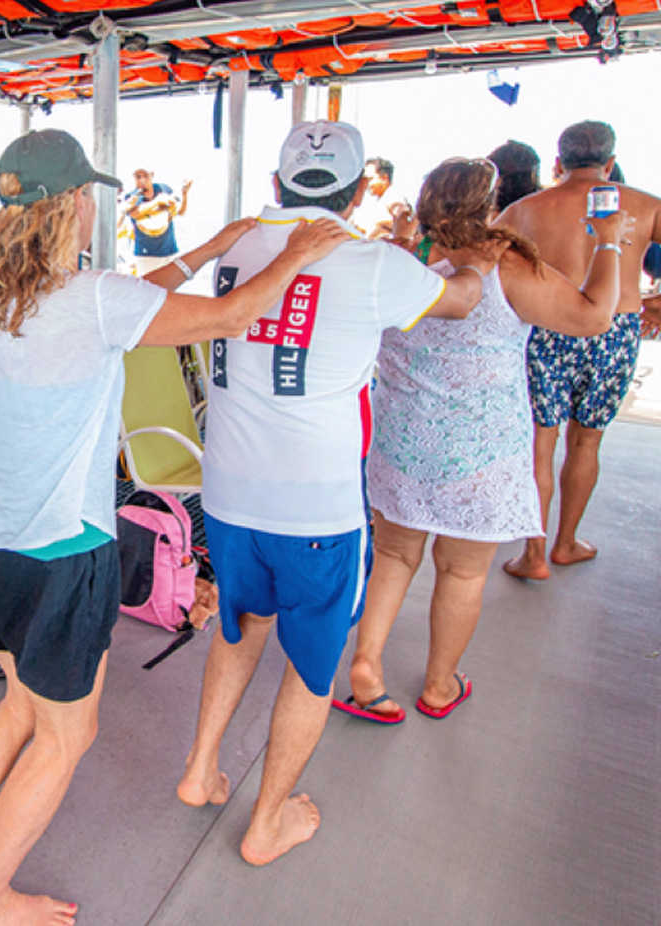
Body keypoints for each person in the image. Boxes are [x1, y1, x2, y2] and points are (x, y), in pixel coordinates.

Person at [0, 128, 348, 926]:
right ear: (73, 202)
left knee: (16, 711)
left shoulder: (0, 287)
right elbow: (231, 313)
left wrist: (211, 245)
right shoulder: (95, 299)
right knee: (64, 738)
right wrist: (298, 252)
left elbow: (135, 293)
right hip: (58, 554)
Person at [174, 121, 499, 867]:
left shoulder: (238, 245)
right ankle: (266, 826)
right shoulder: (374, 261)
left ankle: (200, 771)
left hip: (226, 494)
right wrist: (473, 262)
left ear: (276, 186)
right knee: (313, 667)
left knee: (239, 625)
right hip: (315, 508)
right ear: (357, 192)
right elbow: (459, 301)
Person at [335, 157, 626, 725]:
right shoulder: (505, 265)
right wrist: (609, 244)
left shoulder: (398, 261)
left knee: (394, 554)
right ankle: (440, 686)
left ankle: (366, 665)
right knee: (462, 571)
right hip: (481, 452)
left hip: (402, 442)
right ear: (489, 206)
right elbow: (593, 318)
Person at [500, 121, 661, 580]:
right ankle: (566, 543)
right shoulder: (646, 205)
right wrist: (655, 303)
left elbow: (479, 260)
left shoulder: (523, 210)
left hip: (546, 328)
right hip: (615, 329)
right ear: (610, 163)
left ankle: (532, 554)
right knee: (587, 439)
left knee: (541, 441)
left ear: (558, 163)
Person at [122, 168, 192, 274]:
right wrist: (158, 203)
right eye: (138, 177)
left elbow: (180, 212)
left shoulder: (165, 189)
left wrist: (185, 193)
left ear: (152, 175)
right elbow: (135, 213)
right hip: (146, 255)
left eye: (145, 176)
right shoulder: (132, 197)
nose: (142, 180)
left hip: (169, 252)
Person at [352, 156, 409, 239]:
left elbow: (403, 225)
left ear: (384, 179)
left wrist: (379, 225)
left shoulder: (393, 195)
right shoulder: (377, 201)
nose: (367, 184)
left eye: (371, 179)